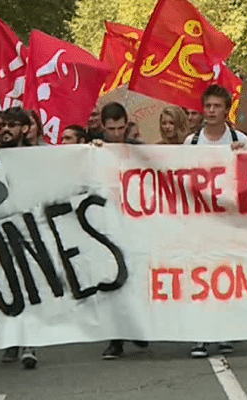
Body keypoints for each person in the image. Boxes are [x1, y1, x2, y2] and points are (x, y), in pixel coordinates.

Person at [184, 84, 247, 358]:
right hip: (200, 223)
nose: (211, 111)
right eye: (207, 106)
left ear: (226, 110)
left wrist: (242, 156)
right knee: (200, 277)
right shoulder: (191, 143)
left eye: (216, 107)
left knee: (226, 276)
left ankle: (225, 333)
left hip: (230, 221)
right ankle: (200, 335)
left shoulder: (240, 139)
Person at [0, 107, 37, 368]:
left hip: (29, 229)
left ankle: (29, 342)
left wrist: (95, 148)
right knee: (6, 285)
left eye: (13, 125)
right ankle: (12, 341)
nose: (6, 130)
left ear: (24, 129)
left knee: (30, 285)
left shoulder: (37, 154)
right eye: (2, 125)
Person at [94, 102, 148, 360]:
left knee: (136, 277)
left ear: (127, 125)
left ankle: (136, 327)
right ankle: (115, 339)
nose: (116, 133)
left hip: (135, 222)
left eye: (121, 128)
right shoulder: (92, 150)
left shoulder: (139, 149)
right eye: (111, 128)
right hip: (104, 224)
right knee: (111, 280)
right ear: (103, 126)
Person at [183, 85, 247, 147]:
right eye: (208, 106)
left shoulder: (241, 140)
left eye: (217, 106)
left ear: (227, 109)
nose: (211, 110)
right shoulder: (190, 142)